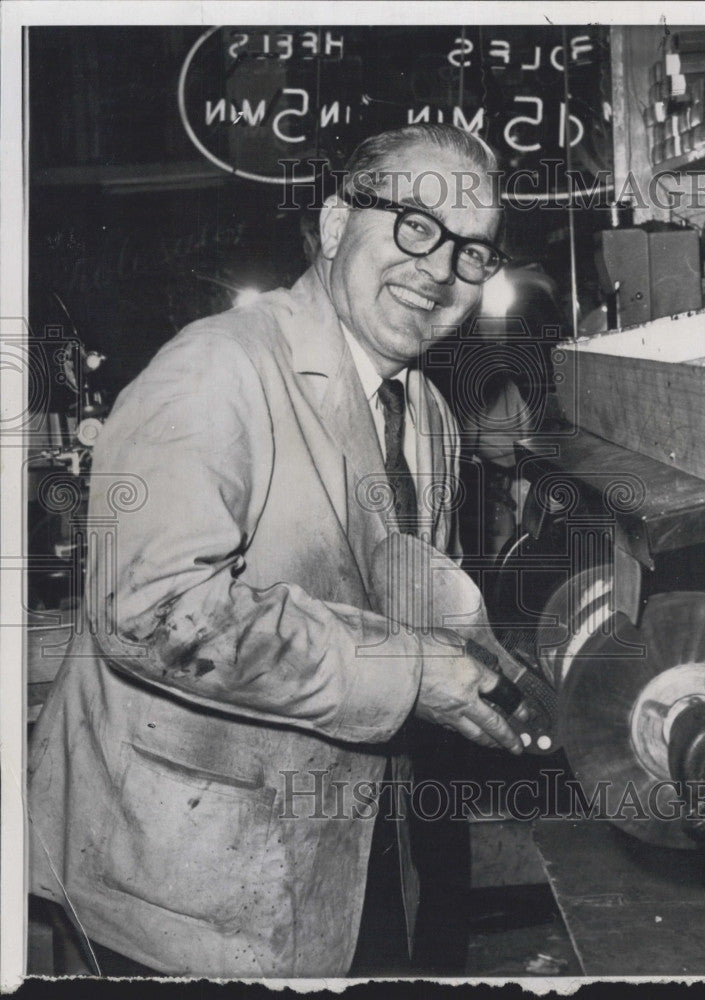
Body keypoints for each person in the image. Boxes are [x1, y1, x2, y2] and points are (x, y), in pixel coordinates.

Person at [27, 124, 528, 978]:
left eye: (472, 252)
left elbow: (403, 594)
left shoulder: (431, 417)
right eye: (415, 224)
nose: (440, 269)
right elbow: (152, 613)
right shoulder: (215, 369)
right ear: (336, 225)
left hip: (339, 843)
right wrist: (409, 672)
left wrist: (482, 665)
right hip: (181, 881)